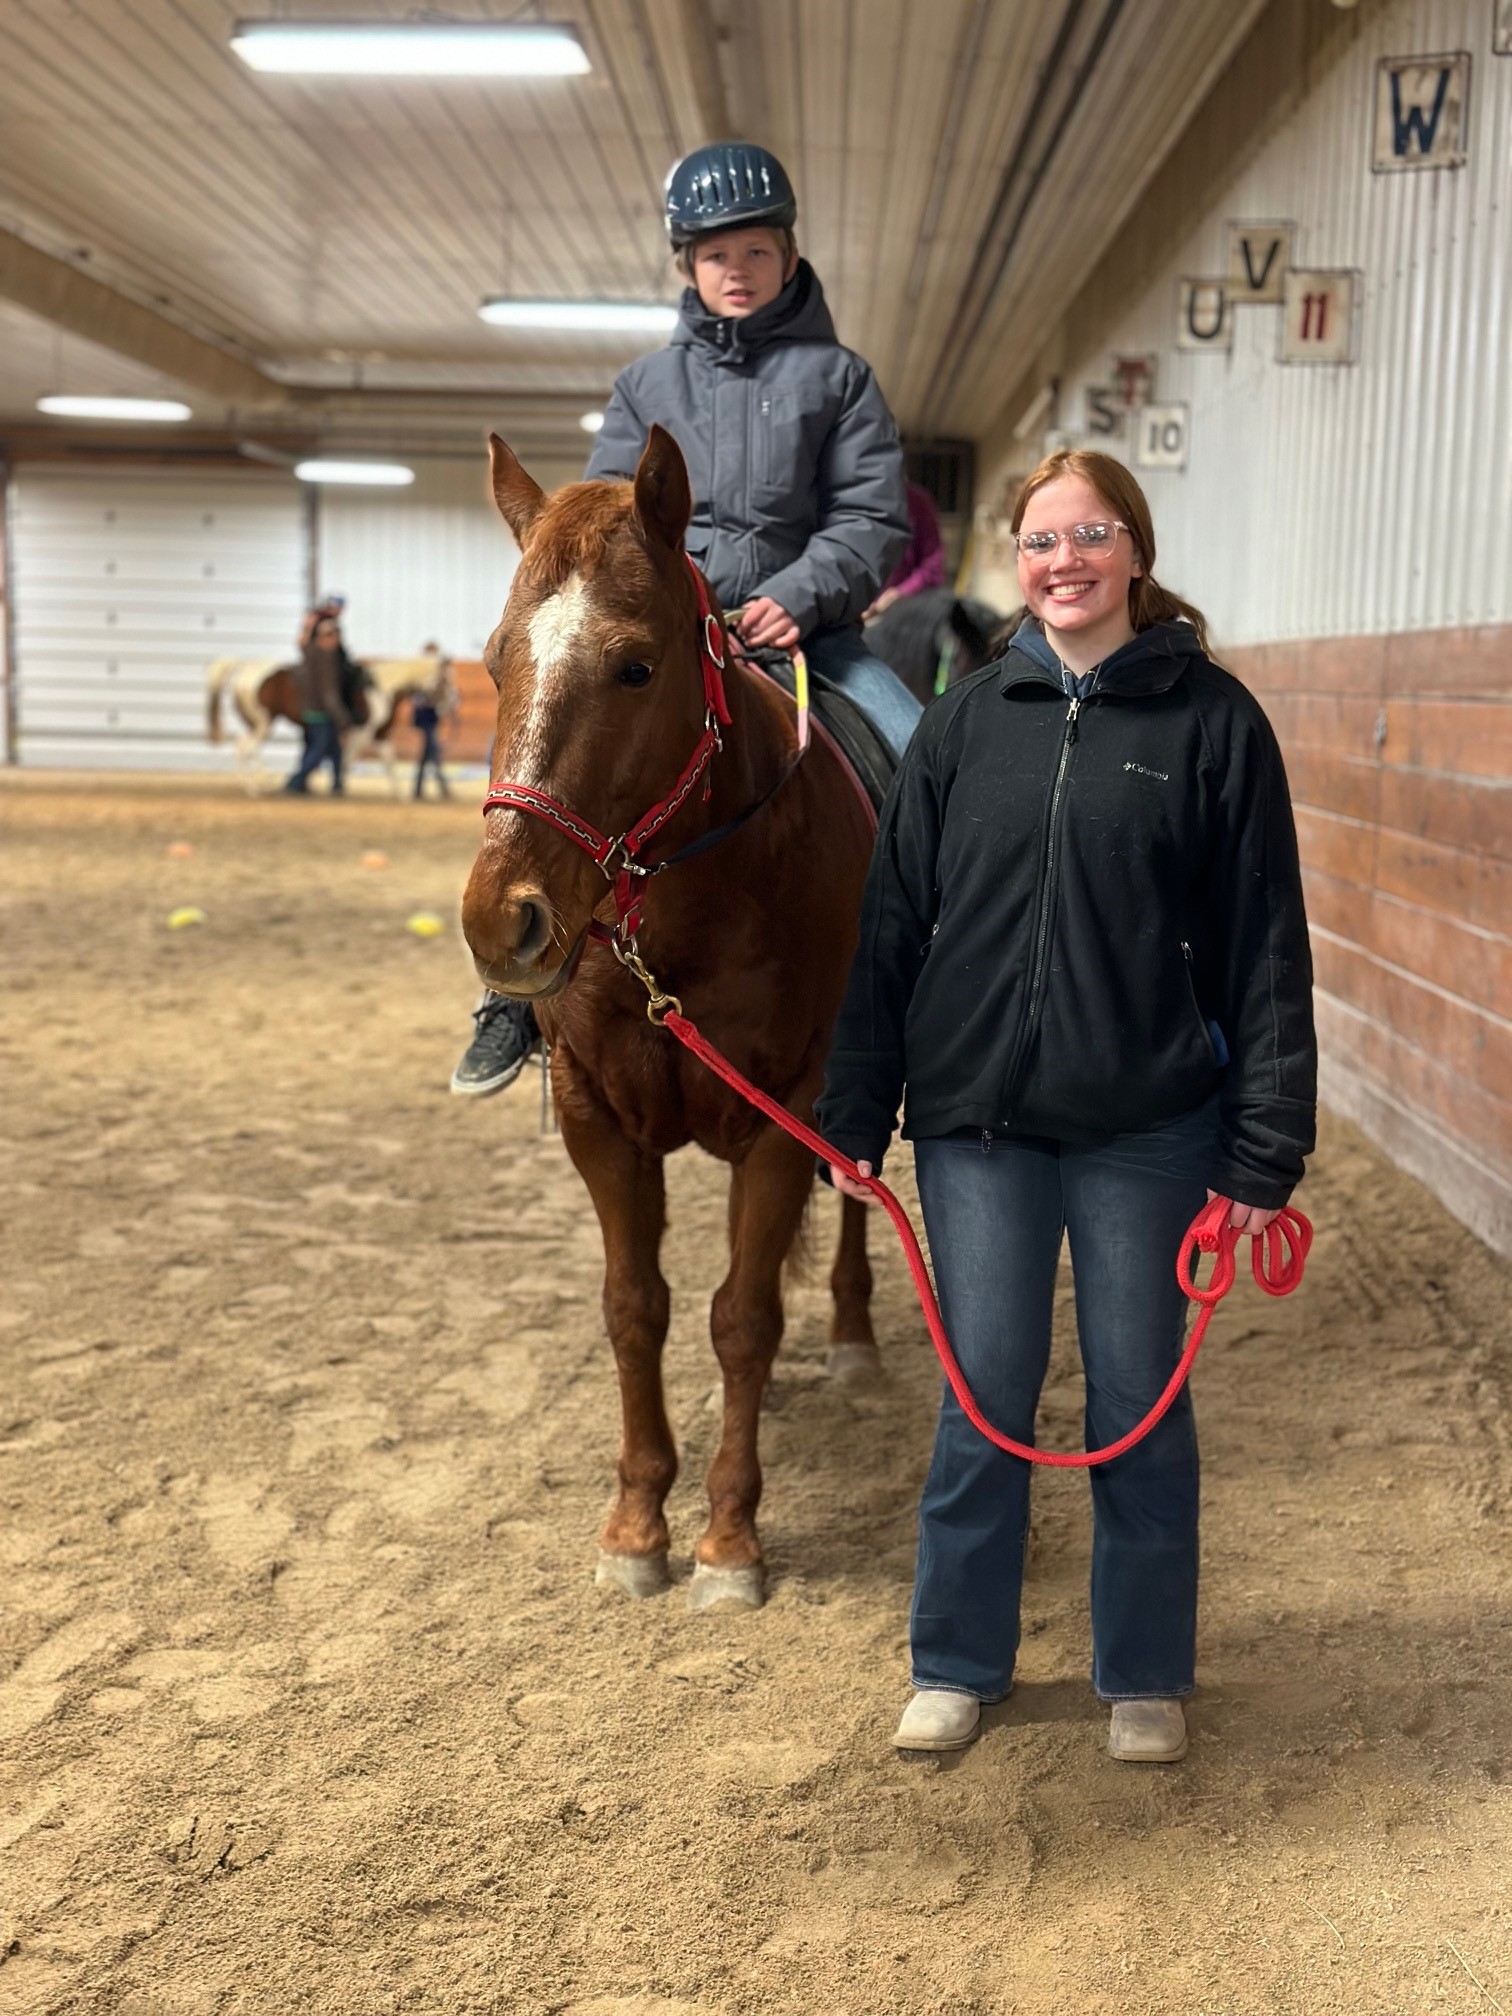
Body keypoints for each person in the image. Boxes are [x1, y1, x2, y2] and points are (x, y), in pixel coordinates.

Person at [817, 448, 1317, 1764]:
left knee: (1136, 1397)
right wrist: (855, 1112)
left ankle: (1142, 1669)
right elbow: (891, 930)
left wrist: (1265, 1148)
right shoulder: (963, 724)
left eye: (1091, 534)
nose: (1065, 561)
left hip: (1148, 1123)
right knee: (982, 1392)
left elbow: (1266, 944)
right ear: (1018, 562)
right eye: (1041, 541)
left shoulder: (1215, 725)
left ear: (1135, 551)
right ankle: (956, 1660)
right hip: (978, 1123)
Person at [453, 139, 917, 1098]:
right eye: (715, 256)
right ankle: (513, 1001)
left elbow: (872, 518)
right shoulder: (644, 386)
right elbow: (608, 519)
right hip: (674, 637)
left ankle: (928, 986)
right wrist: (661, 601)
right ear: (687, 267)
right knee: (550, 770)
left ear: (789, 257)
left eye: (754, 252)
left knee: (919, 756)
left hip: (809, 637)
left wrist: (799, 595)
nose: (735, 271)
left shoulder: (842, 379)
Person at [283, 611, 351, 795]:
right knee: (318, 751)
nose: (335, 639)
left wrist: (308, 627)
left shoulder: (310, 653)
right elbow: (329, 693)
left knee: (334, 751)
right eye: (331, 635)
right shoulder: (326, 660)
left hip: (310, 710)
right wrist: (343, 719)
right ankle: (294, 783)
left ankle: (337, 784)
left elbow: (302, 643)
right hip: (322, 713)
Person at [865, 480, 946, 619]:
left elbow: (932, 566)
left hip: (905, 615)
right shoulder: (845, 501)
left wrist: (900, 593)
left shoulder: (917, 502)